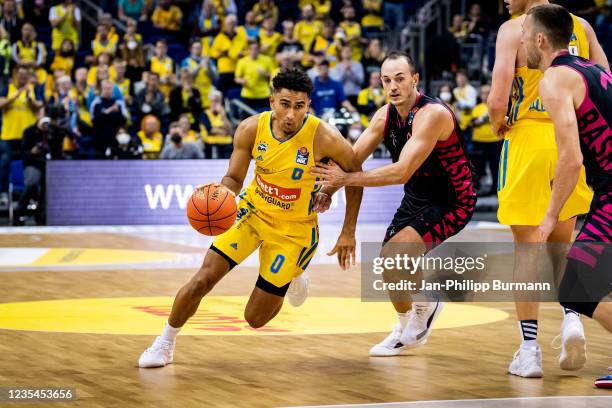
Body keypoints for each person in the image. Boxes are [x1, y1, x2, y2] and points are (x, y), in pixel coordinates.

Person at [138, 68, 363, 367]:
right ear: (271, 101)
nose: (291, 114)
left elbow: (356, 176)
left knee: (254, 318)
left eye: (299, 106)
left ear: (308, 105)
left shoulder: (325, 137)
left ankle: (295, 272)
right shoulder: (250, 128)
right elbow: (233, 177)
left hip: (294, 230)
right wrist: (221, 196)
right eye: (284, 104)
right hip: (252, 211)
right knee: (202, 279)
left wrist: (347, 231)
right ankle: (164, 342)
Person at [310, 51, 476, 357]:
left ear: (415, 80)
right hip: (418, 196)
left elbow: (401, 172)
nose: (393, 86)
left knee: (397, 255)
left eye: (400, 78)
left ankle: (424, 306)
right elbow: (351, 161)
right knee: (387, 264)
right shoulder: (384, 116)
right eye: (387, 80)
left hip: (453, 199)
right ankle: (405, 326)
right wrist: (330, 191)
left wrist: (344, 180)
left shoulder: (433, 114)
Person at [487, 0, 608, 378]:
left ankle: (529, 349)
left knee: (528, 248)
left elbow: (496, 98)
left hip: (530, 139)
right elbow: (605, 75)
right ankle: (573, 320)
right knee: (564, 247)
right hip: (576, 138)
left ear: (537, 37)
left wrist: (499, 124)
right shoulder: (582, 27)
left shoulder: (513, 29)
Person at [521, 3, 612, 389]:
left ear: (540, 39)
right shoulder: (595, 69)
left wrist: (548, 217)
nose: (522, 40)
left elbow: (571, 158)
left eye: (525, 34)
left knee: (576, 287)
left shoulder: (555, 79)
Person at [0, 66, 43, 207]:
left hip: (29, 136)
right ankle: (3, 193)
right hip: (9, 134)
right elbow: (2, 104)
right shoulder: (8, 88)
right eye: (20, 75)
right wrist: (18, 93)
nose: (23, 77)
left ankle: (30, 196)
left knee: (31, 165)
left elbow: (40, 106)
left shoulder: (33, 89)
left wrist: (30, 100)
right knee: (5, 162)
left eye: (25, 75)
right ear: (15, 75)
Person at [470, 84, 501, 196]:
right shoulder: (476, 108)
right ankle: (477, 189)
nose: (485, 95)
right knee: (478, 167)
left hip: (495, 140)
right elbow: (474, 123)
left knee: (495, 167)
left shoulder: (497, 106)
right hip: (479, 141)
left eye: (488, 92)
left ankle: (495, 190)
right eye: (483, 92)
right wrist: (484, 119)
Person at [235, 40, 273, 113]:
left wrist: (265, 74)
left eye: (256, 49)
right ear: (248, 50)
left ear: (259, 49)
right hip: (248, 94)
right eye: (251, 49)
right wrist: (242, 81)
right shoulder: (242, 61)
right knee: (246, 120)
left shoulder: (267, 60)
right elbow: (237, 78)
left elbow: (273, 75)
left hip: (264, 94)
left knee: (265, 118)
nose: (254, 51)